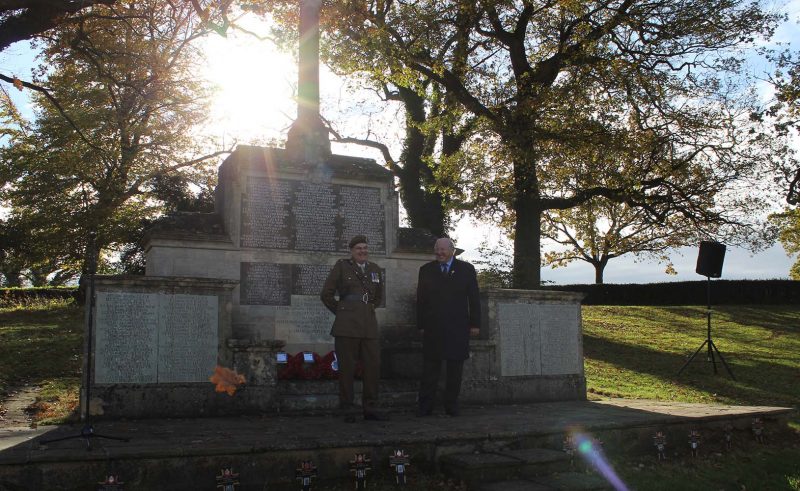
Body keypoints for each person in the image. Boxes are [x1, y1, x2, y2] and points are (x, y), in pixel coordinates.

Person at [321, 235, 387, 422]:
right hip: (346, 326)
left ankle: (371, 407)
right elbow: (326, 294)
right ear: (351, 250)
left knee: (372, 367)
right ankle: (347, 408)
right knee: (347, 369)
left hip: (369, 325)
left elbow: (379, 296)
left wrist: (368, 308)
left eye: (365, 248)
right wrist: (342, 311)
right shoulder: (342, 266)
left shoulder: (374, 269)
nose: (362, 251)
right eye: (359, 248)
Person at [416, 237, 480, 417]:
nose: (439, 253)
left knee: (455, 370)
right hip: (433, 327)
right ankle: (425, 406)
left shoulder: (466, 269)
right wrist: (421, 324)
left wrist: (475, 323)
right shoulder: (426, 270)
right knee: (430, 369)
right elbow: (420, 300)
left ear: (452, 250)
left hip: (457, 327)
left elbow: (473, 298)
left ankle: (451, 405)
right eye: (437, 249)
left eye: (443, 249)